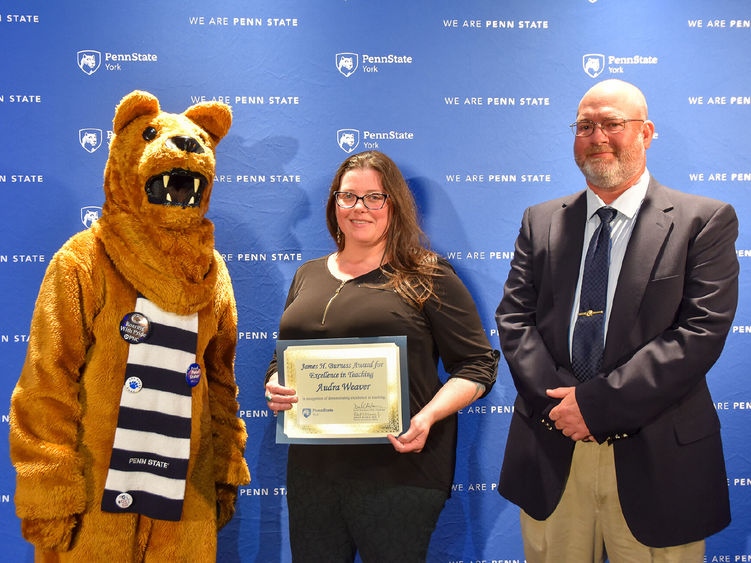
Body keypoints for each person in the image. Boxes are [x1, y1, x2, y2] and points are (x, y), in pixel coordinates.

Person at [495, 79, 738, 562]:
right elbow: (515, 319)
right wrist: (564, 408)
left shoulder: (703, 221)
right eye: (585, 126)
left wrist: (597, 405)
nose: (597, 136)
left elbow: (698, 333)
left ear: (646, 133)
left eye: (612, 124)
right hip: (553, 444)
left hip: (657, 454)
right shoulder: (539, 221)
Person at [265, 150, 498, 562]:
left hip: (399, 473)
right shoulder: (308, 274)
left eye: (375, 197)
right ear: (334, 203)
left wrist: (426, 417)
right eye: (349, 196)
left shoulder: (428, 274)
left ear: (395, 204)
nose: (360, 208)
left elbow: (478, 366)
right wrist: (275, 385)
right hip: (314, 473)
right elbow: (286, 359)